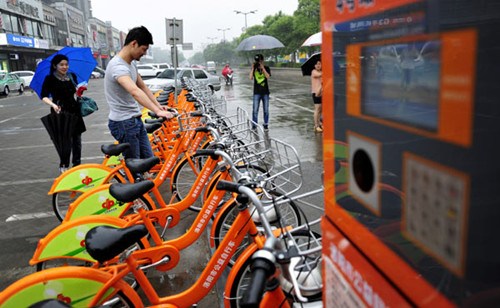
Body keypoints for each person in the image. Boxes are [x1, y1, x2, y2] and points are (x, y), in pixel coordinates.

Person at [105, 26, 173, 160]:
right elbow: (134, 91)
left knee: (148, 161)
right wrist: (157, 111)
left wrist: (158, 107)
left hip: (134, 120)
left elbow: (142, 87)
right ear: (134, 43)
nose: (144, 53)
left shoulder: (131, 64)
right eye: (144, 49)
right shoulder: (118, 67)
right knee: (135, 167)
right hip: (123, 122)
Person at [41, 54, 86, 173]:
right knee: (64, 142)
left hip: (74, 111)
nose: (64, 67)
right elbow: (44, 96)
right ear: (55, 65)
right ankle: (64, 166)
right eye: (61, 64)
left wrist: (79, 92)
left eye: (66, 64)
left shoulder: (72, 76)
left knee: (77, 141)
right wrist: (53, 105)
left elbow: (75, 93)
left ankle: (77, 166)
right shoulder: (49, 79)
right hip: (60, 111)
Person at [249, 54, 271, 131]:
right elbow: (250, 78)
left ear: (262, 61)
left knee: (266, 110)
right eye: (257, 61)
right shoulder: (254, 69)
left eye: (260, 61)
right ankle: (254, 125)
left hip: (265, 92)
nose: (258, 62)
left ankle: (265, 124)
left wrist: (263, 68)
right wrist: (252, 69)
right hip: (256, 92)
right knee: (255, 109)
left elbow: (268, 76)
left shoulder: (267, 68)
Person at [310, 59, 323, 133]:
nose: (318, 65)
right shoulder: (314, 72)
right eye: (317, 64)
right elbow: (319, 75)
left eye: (320, 64)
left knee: (320, 109)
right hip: (316, 93)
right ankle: (316, 125)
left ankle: (319, 123)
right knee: (317, 109)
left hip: (322, 93)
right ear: (314, 65)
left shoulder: (322, 72)